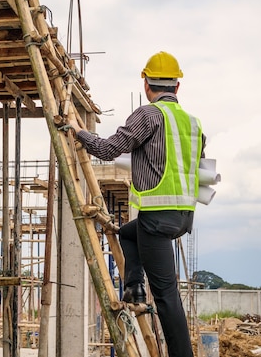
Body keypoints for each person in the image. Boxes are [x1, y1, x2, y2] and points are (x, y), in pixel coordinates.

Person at [67, 51, 204, 357]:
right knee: (127, 233)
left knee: (168, 296)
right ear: (177, 86)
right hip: (183, 217)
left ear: (146, 84)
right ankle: (133, 287)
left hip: (156, 218)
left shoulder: (149, 115)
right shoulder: (193, 124)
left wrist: (80, 133)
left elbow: (108, 149)